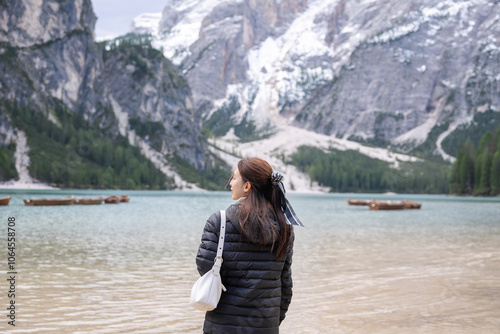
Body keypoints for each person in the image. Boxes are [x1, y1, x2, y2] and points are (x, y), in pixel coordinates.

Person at [195, 157, 303, 334]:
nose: (230, 182)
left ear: (247, 186)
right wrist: (273, 321)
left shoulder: (219, 221)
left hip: (223, 325)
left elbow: (205, 268)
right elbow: (285, 284)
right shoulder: (285, 228)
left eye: (235, 177)